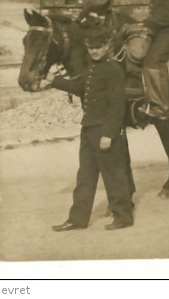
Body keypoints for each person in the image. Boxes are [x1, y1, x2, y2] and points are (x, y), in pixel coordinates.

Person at [50, 45, 134, 231]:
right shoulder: (91, 68)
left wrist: (109, 133)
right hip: (88, 128)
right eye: (90, 47)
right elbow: (80, 88)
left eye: (98, 47)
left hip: (104, 130)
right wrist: (53, 80)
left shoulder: (113, 69)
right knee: (85, 176)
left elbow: (117, 104)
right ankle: (77, 219)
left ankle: (123, 217)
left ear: (107, 46)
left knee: (113, 175)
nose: (94, 51)